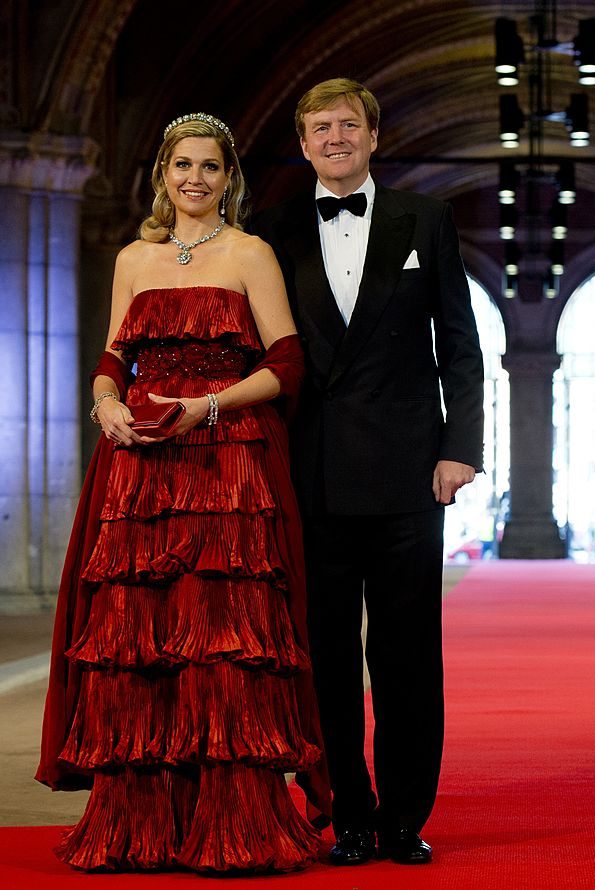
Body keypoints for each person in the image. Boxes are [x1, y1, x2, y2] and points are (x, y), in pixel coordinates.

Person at [35, 113, 330, 874]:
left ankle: (232, 825)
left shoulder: (250, 253)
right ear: (162, 175)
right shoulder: (133, 259)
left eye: (209, 167)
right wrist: (105, 402)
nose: (194, 179)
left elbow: (287, 366)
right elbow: (112, 358)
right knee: (139, 639)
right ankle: (142, 827)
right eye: (181, 166)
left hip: (226, 465)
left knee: (223, 644)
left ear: (229, 178)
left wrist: (208, 406)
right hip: (141, 469)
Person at [251, 78, 484, 867]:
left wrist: (462, 449)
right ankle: (346, 812)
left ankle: (402, 817)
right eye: (320, 127)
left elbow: (461, 347)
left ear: (375, 135)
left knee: (408, 654)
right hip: (309, 473)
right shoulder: (271, 230)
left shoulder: (428, 219)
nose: (335, 137)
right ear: (305, 142)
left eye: (349, 124)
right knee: (324, 658)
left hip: (410, 474)